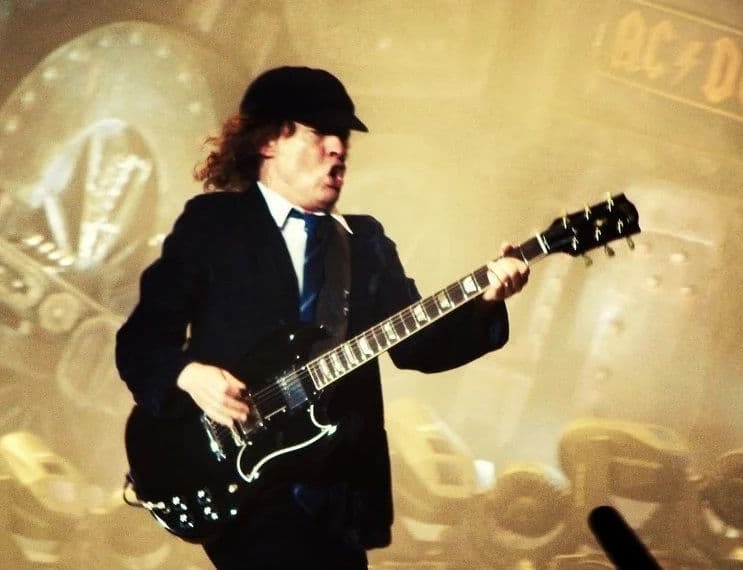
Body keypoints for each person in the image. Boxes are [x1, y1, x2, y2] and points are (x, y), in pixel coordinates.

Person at [115, 66, 529, 569]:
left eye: (344, 137)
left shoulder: (364, 243)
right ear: (268, 142)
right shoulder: (214, 228)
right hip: (243, 484)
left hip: (338, 495)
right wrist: (190, 376)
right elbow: (141, 342)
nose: (339, 149)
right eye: (320, 134)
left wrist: (486, 301)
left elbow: (417, 346)